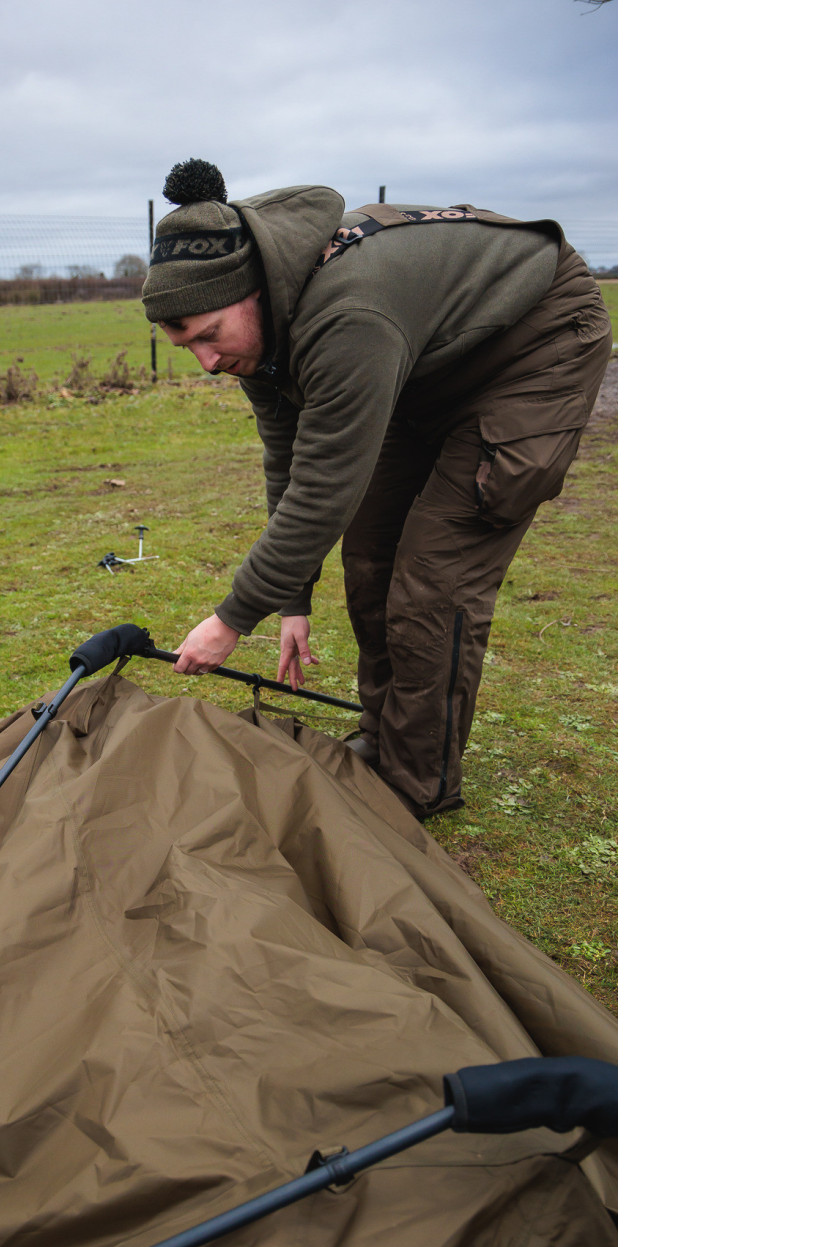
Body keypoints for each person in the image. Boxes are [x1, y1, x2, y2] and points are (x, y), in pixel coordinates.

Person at [145, 159, 610, 819]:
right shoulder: (263, 337)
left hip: (535, 346)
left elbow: (323, 488)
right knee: (371, 552)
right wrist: (291, 601)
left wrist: (231, 620)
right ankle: (384, 737)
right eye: (187, 346)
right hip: (429, 362)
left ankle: (417, 784)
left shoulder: (347, 315)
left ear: (253, 290)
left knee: (436, 573)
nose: (208, 363)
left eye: (210, 336)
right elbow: (290, 463)